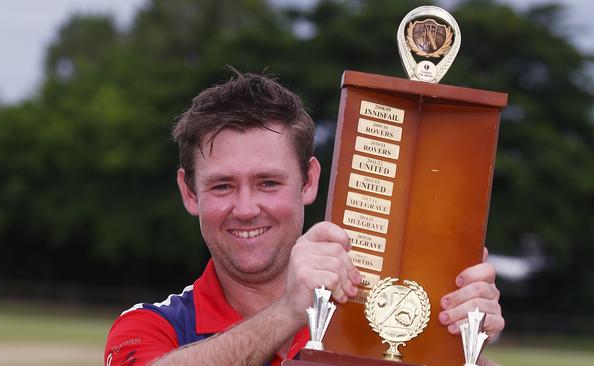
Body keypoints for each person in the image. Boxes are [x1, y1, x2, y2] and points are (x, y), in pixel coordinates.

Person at [104, 71, 504, 366]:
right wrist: (288, 312)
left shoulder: (375, 320)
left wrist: (466, 351)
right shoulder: (152, 326)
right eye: (222, 186)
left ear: (309, 181)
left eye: (268, 183)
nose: (245, 209)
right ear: (189, 192)